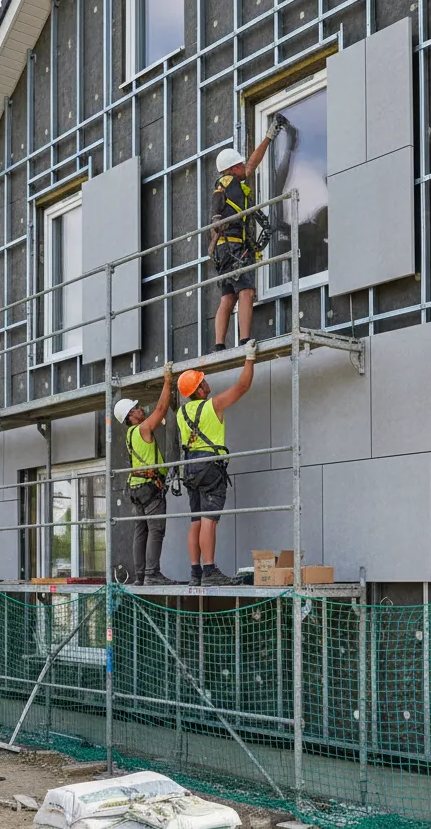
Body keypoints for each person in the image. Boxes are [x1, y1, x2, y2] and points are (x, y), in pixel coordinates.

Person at [176, 341, 257, 586]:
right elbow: (242, 387)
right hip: (210, 467)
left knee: (196, 521)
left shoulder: (181, 413)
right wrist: (250, 358)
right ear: (199, 389)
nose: (206, 382)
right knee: (209, 521)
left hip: (190, 467)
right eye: (203, 381)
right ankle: (210, 571)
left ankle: (196, 573)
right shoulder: (213, 405)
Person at [209, 114, 287, 352]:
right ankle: (244, 341)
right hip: (233, 246)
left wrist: (269, 137)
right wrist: (270, 136)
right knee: (246, 291)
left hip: (222, 249)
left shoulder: (229, 186)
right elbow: (251, 165)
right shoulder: (228, 182)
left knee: (227, 297)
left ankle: (219, 345)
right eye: (240, 165)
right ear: (233, 168)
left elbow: (251, 164)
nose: (245, 168)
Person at [113, 361, 176, 587]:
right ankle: (152, 574)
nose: (141, 409)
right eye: (137, 408)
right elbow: (161, 409)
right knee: (156, 530)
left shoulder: (130, 434)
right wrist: (167, 381)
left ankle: (141, 576)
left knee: (141, 531)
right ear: (131, 415)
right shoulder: (142, 428)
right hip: (149, 487)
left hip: (136, 488)